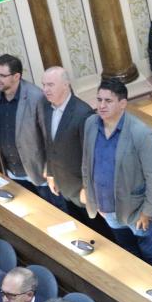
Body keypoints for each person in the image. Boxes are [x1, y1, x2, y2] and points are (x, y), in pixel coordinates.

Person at [81, 79, 152, 274]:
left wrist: (147, 212)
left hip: (136, 210)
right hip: (107, 208)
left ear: (122, 103)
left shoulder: (141, 133)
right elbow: (87, 163)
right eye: (99, 100)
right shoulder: (90, 124)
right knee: (128, 251)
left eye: (108, 101)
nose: (101, 106)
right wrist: (92, 197)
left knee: (150, 252)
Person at [0, 54, 47, 198]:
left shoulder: (36, 97)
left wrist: (49, 170)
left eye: (2, 75)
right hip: (11, 171)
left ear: (16, 76)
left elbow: (48, 137)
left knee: (54, 214)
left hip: (37, 172)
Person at [38, 67, 94, 215]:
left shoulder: (83, 113)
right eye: (43, 85)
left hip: (83, 191)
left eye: (50, 85)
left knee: (99, 234)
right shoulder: (46, 107)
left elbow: (92, 157)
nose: (45, 90)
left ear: (65, 84)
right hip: (63, 185)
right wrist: (51, 174)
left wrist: (89, 189)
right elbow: (50, 145)